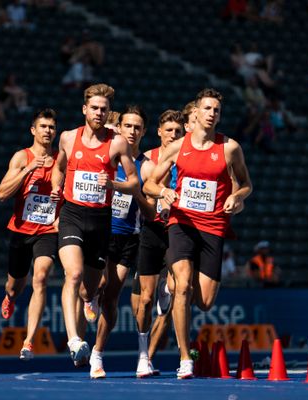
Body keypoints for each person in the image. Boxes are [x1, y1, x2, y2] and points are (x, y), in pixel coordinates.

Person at [144, 88, 252, 379]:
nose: (211, 114)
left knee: (204, 302)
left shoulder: (230, 148)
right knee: (183, 287)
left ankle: (176, 291)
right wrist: (165, 191)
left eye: (216, 110)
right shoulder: (177, 147)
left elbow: (246, 184)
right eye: (207, 108)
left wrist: (237, 197)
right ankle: (184, 358)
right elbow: (149, 185)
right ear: (196, 113)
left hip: (213, 228)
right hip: (181, 224)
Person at [50, 83, 139, 368]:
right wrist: (55, 187)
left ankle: (90, 301)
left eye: (105, 109)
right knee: (72, 274)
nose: (100, 113)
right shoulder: (67, 138)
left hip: (101, 220)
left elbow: (135, 182)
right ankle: (74, 341)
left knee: (89, 289)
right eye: (95, 108)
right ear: (84, 109)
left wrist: (113, 183)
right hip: (73, 214)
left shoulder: (117, 143)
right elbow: (59, 167)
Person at [90, 105, 155, 379]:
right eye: (127, 126)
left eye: (137, 127)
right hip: (102, 231)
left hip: (129, 236)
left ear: (143, 132)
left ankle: (97, 354)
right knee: (100, 284)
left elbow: (150, 212)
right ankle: (87, 296)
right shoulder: (107, 155)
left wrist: (134, 190)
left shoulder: (147, 166)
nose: (132, 131)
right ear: (120, 128)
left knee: (112, 299)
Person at [0, 108, 60, 360]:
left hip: (48, 230)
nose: (48, 131)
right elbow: (1, 194)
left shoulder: (60, 159)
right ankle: (10, 297)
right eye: (43, 126)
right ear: (33, 130)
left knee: (41, 277)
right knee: (15, 286)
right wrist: (28, 170)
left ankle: (29, 341)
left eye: (51, 127)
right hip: (21, 231)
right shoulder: (21, 157)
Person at [132, 109, 185, 379]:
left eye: (178, 131)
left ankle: (148, 357)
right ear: (159, 132)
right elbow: (139, 193)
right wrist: (156, 201)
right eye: (169, 131)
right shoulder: (148, 160)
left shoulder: (186, 159)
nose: (173, 135)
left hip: (176, 232)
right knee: (144, 299)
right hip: (149, 231)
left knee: (175, 290)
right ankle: (143, 352)